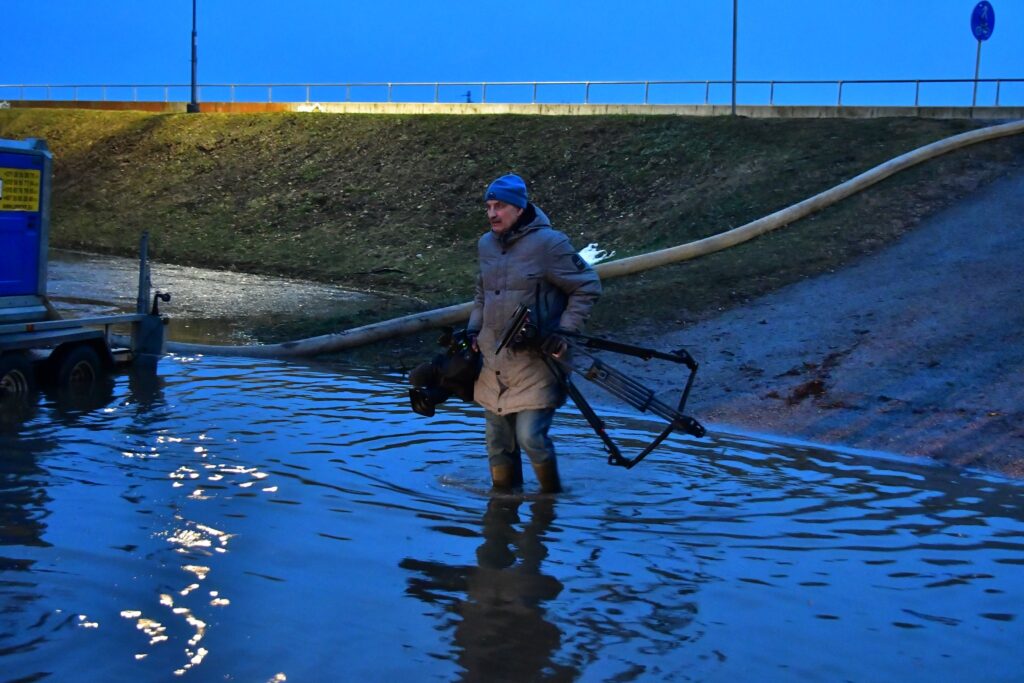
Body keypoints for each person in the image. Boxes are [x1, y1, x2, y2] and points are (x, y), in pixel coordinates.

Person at [467, 174, 601, 493]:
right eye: (488, 206)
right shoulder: (486, 245)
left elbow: (587, 286)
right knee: (498, 444)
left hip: (538, 359)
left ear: (519, 207)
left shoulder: (550, 244)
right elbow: (481, 293)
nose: (492, 214)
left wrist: (565, 331)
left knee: (530, 437)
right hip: (494, 361)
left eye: (499, 206)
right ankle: (503, 505)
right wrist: (473, 330)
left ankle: (550, 497)